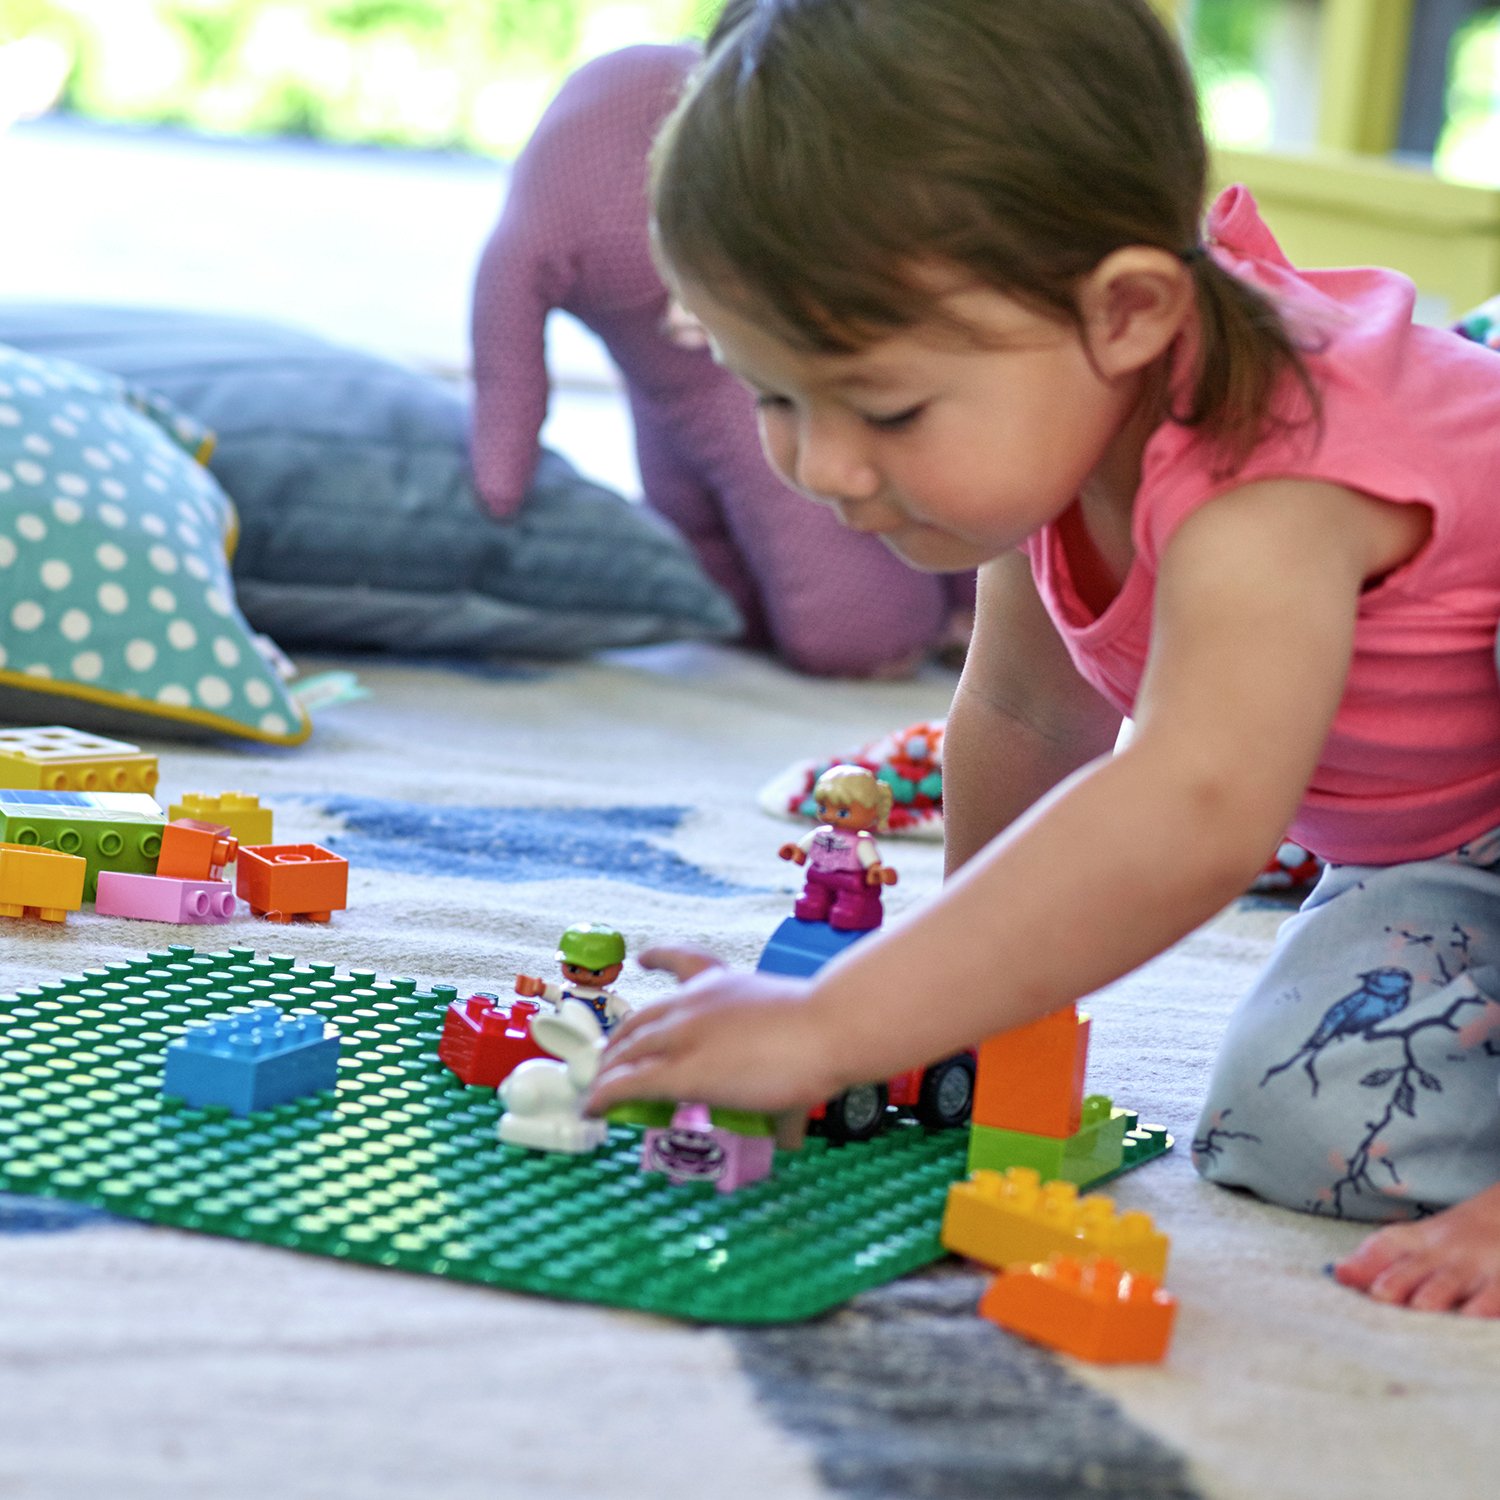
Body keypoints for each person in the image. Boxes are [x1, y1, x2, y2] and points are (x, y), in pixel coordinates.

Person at [585, 0, 1500, 1317]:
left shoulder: (1271, 486)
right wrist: (943, 1004)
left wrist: (833, 1025)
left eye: (886, 407)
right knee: (1312, 1136)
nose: (825, 469)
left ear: (1125, 313)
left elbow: (1192, 810)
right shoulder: (1063, 445)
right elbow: (1024, 717)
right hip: (1445, 845)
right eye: (774, 393)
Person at [779, 763, 899, 930]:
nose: (829, 816)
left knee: (849, 907)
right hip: (818, 874)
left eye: (843, 812)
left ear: (873, 811)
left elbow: (871, 862)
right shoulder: (821, 833)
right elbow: (804, 848)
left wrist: (875, 870)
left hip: (850, 881)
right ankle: (814, 901)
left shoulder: (861, 842)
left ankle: (849, 909)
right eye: (823, 808)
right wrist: (796, 852)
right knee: (811, 900)